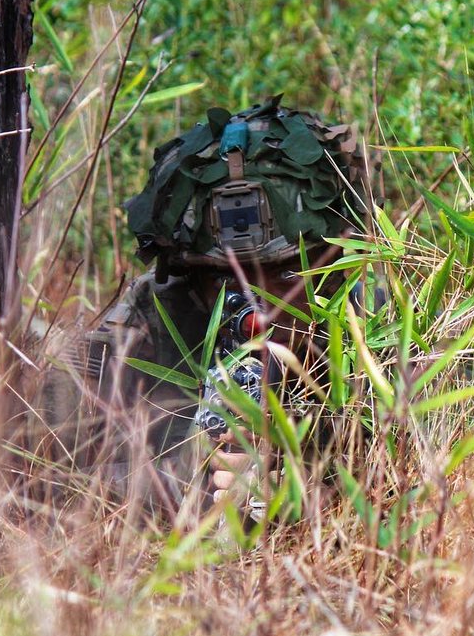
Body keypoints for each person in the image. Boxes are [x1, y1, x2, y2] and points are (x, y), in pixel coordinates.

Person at [70, 96, 370, 515]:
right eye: (224, 279)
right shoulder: (157, 315)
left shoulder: (378, 321)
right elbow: (47, 464)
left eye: (286, 275)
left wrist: (320, 491)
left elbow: (439, 465)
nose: (255, 309)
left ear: (338, 267)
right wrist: (190, 472)